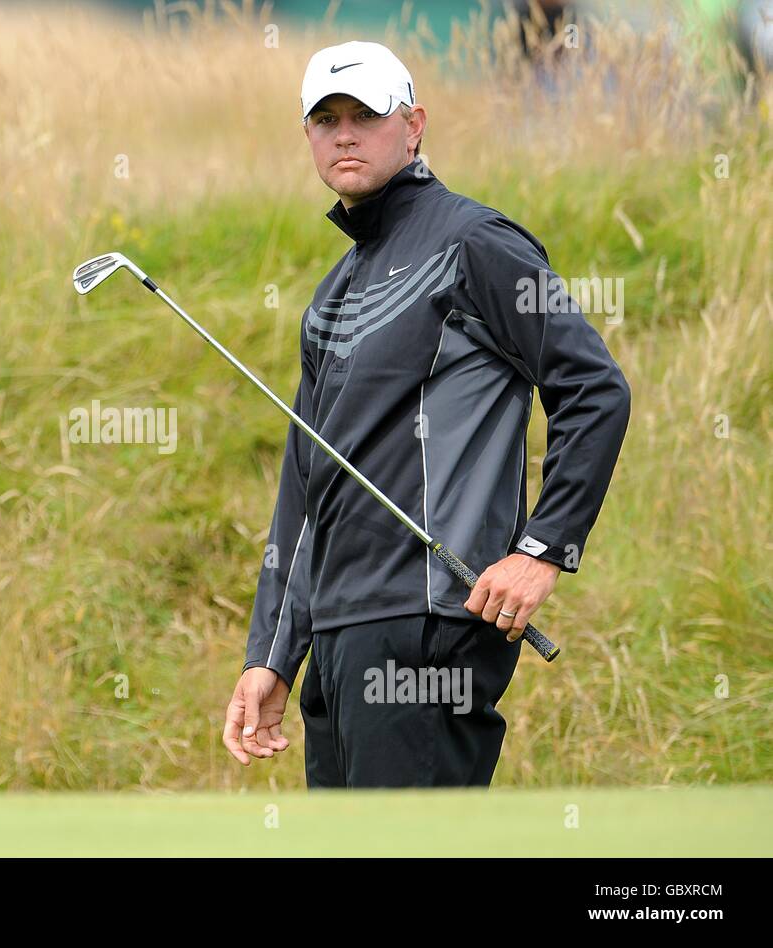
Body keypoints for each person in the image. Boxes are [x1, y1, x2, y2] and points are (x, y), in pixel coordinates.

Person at [221, 41, 631, 788]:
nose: (344, 134)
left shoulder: (476, 243)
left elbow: (594, 388)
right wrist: (272, 655)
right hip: (343, 638)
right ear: (308, 136)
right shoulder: (329, 296)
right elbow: (305, 490)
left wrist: (542, 551)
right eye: (325, 119)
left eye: (365, 116)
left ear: (413, 126)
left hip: (432, 626)